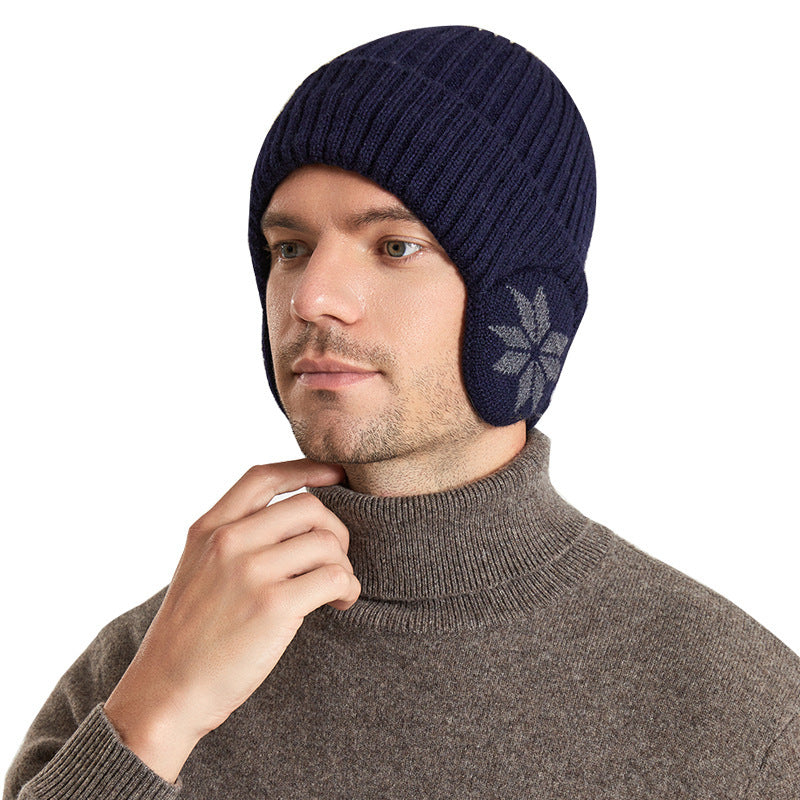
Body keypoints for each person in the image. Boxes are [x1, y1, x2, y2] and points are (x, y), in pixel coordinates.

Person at [5, 25, 799, 800]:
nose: (311, 298)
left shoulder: (740, 712)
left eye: (394, 246)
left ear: (524, 306)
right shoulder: (143, 672)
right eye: (290, 248)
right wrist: (154, 722)